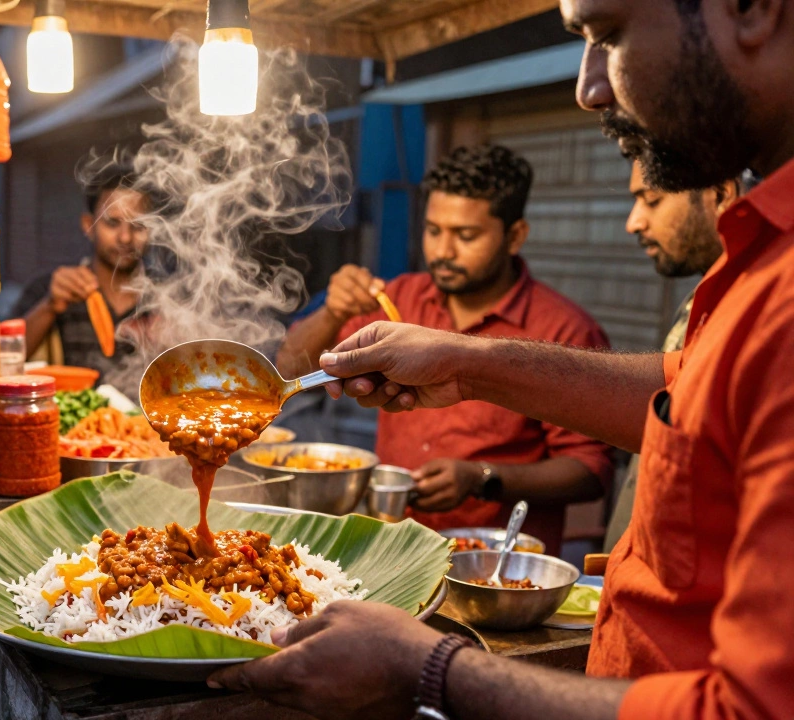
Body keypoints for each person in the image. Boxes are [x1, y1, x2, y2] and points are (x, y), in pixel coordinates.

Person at [210, 1, 794, 718]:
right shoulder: (763, 252)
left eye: (607, 35)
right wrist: (467, 364)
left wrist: (429, 671)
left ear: (754, 10)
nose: (587, 87)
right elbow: (684, 390)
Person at [277, 145, 612, 554]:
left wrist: (482, 479)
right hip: (392, 548)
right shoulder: (398, 300)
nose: (443, 252)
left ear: (515, 236)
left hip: (495, 569)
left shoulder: (563, 329)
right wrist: (332, 311)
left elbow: (590, 471)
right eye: (434, 230)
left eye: (465, 236)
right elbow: (291, 366)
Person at [604, 160, 741, 548]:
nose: (634, 222)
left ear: (721, 195)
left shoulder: (755, 308)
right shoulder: (705, 296)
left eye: (652, 201)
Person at [10, 170, 151, 388]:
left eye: (138, 226)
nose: (125, 237)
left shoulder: (167, 299)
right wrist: (49, 306)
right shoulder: (52, 289)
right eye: (112, 223)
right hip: (75, 418)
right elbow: (4, 361)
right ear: (88, 225)